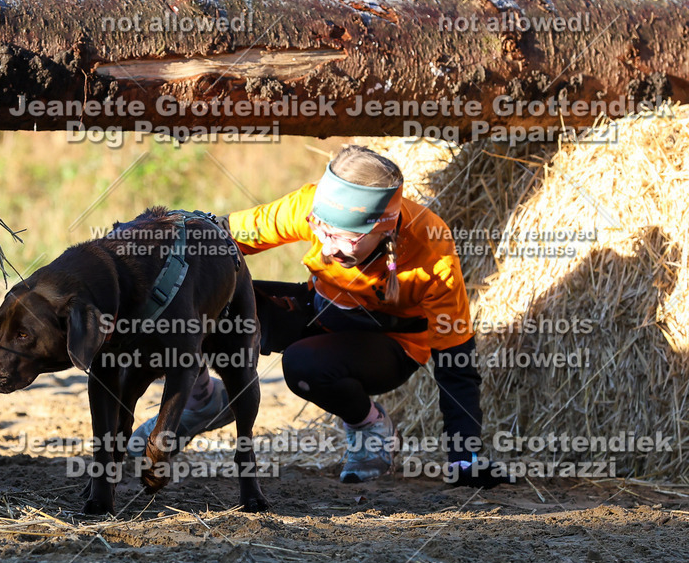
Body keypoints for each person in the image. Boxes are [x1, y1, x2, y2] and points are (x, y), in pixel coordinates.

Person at [131, 145, 511, 488]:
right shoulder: (310, 206)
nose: (327, 248)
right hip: (322, 310)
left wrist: (465, 459)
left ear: (382, 228)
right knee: (209, 299)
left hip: (389, 345)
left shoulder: (432, 249)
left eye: (343, 238)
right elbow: (223, 235)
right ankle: (201, 400)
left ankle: (370, 427)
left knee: (303, 366)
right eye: (321, 232)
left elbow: (456, 364)